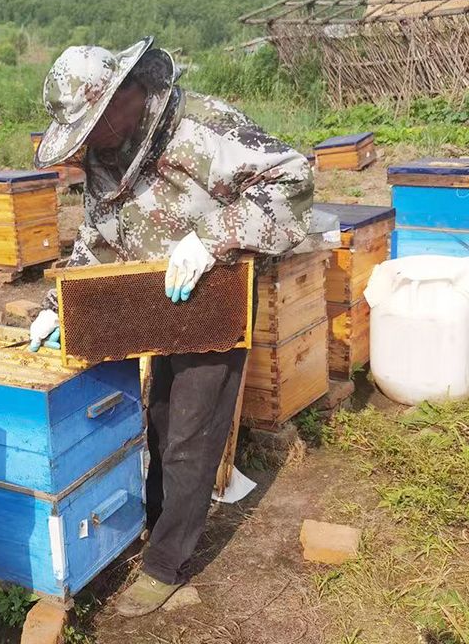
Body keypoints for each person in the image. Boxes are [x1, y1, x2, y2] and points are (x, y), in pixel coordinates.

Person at [28, 37, 315, 617]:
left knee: (191, 435)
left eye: (93, 127)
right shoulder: (106, 155)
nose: (90, 144)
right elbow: (97, 237)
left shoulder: (201, 128)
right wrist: (57, 306)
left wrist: (212, 237)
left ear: (121, 98)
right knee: (157, 421)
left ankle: (167, 566)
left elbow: (294, 180)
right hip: (156, 310)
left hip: (212, 302)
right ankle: (160, 526)